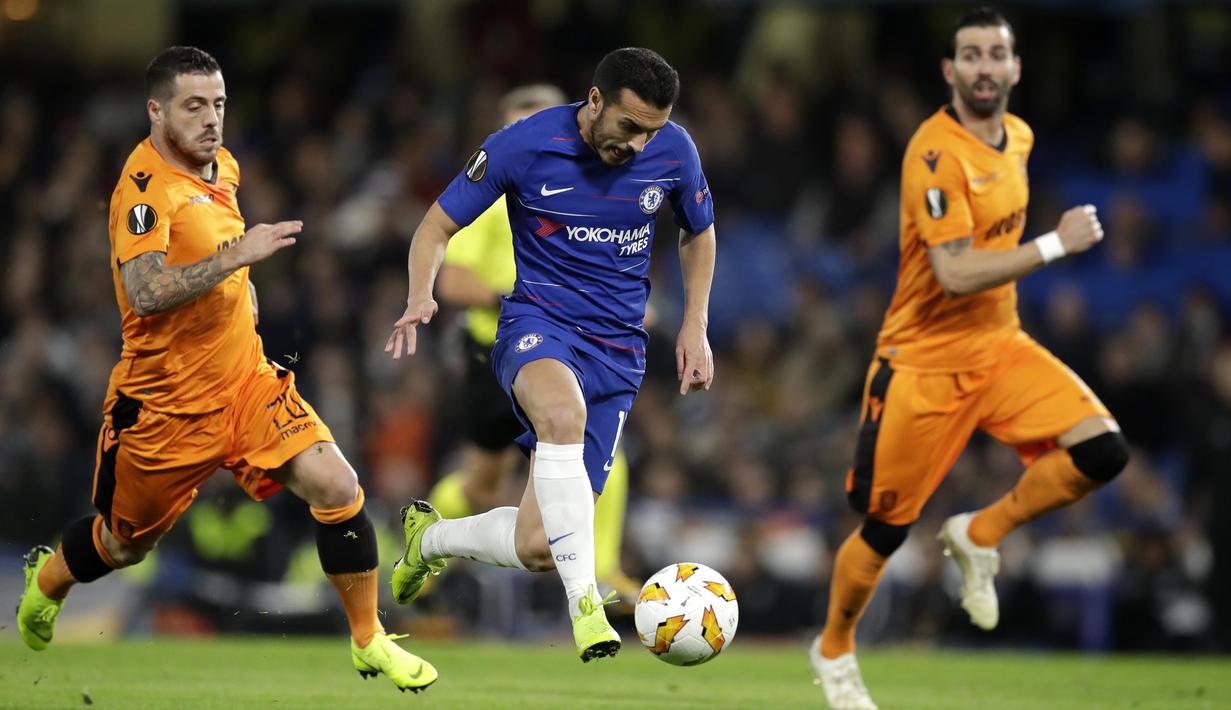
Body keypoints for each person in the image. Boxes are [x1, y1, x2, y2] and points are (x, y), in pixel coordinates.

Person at [15, 46, 436, 694]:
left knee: (337, 485)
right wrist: (239, 254)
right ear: (155, 111)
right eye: (193, 105)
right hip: (162, 407)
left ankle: (368, 639)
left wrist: (245, 298)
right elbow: (146, 289)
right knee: (124, 545)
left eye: (217, 104)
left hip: (243, 383)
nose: (211, 118)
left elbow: (226, 269)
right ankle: (47, 582)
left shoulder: (223, 167)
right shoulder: (144, 189)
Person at [811, 9, 1130, 709]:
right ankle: (833, 649)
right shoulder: (933, 153)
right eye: (970, 55)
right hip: (920, 365)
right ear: (949, 72)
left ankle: (978, 534)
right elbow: (953, 274)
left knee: (1102, 451)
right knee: (884, 530)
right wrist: (1054, 245)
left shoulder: (1017, 137)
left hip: (1000, 348)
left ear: (1014, 69)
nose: (984, 66)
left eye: (996, 54)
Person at [385, 47, 717, 662]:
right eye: (628, 127)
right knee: (562, 417)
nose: (639, 145)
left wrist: (695, 325)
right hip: (537, 328)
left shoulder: (676, 148)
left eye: (651, 131)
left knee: (539, 545)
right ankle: (584, 601)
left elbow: (698, 231)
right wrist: (419, 293)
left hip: (617, 354)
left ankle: (430, 541)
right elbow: (435, 226)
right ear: (595, 101)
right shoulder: (522, 144)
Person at [427, 83, 641, 604]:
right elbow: (450, 282)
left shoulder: (587, 194)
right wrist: (527, 300)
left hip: (561, 352)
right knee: (480, 486)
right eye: (519, 127)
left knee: (595, 449)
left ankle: (601, 570)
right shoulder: (491, 200)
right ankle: (427, 548)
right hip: (495, 357)